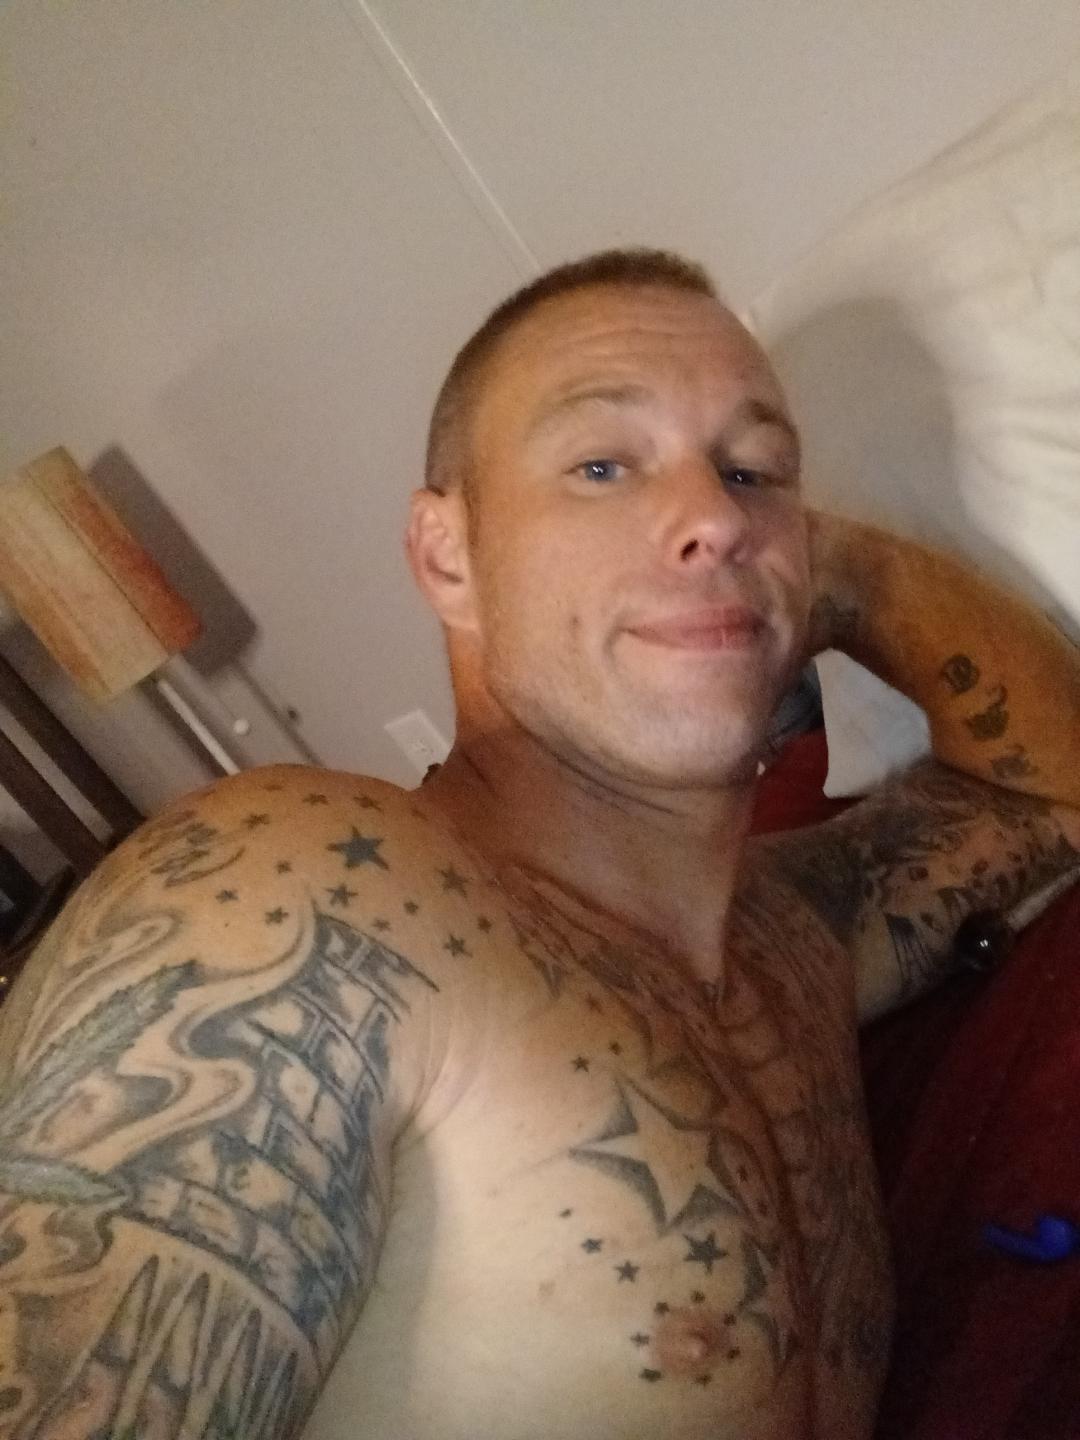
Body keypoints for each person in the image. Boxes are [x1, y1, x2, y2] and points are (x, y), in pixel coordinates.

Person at [0, 249, 1077, 1440]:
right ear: (448, 557)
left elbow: (1048, 797)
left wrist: (832, 570)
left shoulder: (797, 940)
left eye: (753, 470)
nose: (716, 517)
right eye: (603, 465)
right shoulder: (303, 896)